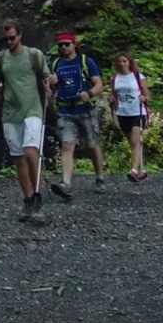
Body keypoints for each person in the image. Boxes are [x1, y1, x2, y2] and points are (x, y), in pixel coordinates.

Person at [0, 20, 52, 224]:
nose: (10, 41)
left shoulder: (34, 55)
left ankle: (37, 196)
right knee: (18, 157)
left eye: (13, 37)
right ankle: (28, 199)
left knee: (30, 150)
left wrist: (50, 84)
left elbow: (47, 76)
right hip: (11, 113)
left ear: (20, 35)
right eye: (7, 38)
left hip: (32, 109)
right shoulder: (2, 59)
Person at [47, 34, 106, 199]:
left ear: (74, 45)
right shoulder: (56, 64)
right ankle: (66, 183)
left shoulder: (86, 62)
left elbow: (99, 84)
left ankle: (100, 177)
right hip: (65, 111)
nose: (63, 48)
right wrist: (49, 87)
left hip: (85, 109)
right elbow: (53, 91)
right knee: (67, 145)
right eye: (60, 45)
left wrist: (89, 93)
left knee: (92, 144)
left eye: (66, 44)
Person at [110, 52, 152, 182]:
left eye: (124, 61)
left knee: (135, 141)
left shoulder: (138, 77)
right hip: (123, 112)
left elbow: (147, 94)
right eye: (120, 62)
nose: (122, 64)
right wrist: (112, 100)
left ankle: (133, 170)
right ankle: (141, 170)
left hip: (138, 111)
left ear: (129, 62)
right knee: (132, 142)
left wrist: (144, 97)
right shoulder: (114, 78)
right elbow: (114, 95)